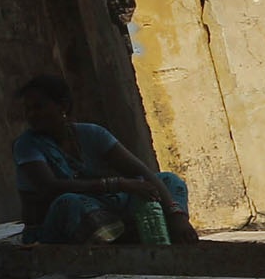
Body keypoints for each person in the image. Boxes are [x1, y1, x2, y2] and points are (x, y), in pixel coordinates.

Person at [13, 74, 193, 244]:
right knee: (70, 202)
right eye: (28, 109)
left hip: (105, 209)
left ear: (63, 107)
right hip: (55, 226)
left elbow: (141, 171)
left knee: (167, 180)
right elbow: (50, 187)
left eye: (38, 107)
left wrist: (175, 214)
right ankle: (122, 240)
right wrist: (117, 184)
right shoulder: (27, 145)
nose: (31, 115)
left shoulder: (91, 133)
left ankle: (155, 232)